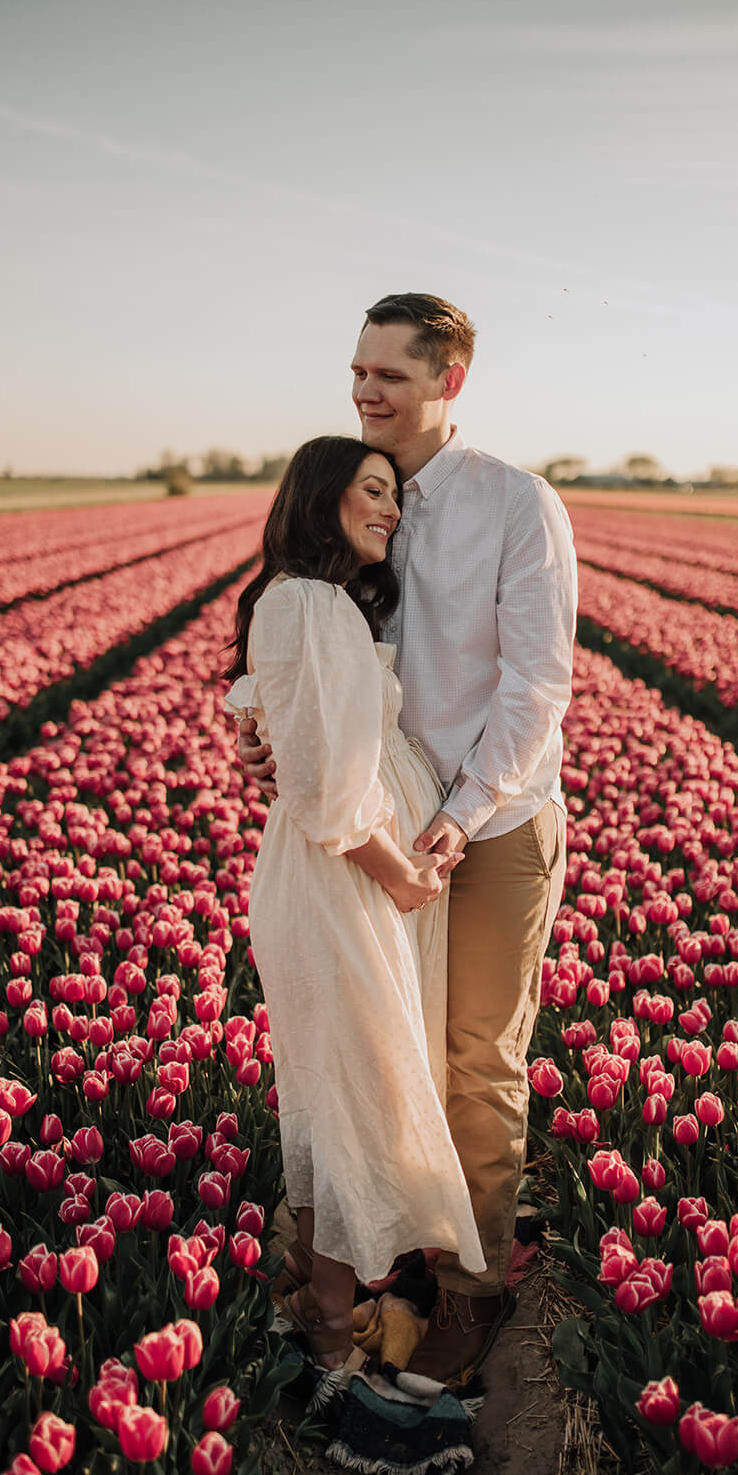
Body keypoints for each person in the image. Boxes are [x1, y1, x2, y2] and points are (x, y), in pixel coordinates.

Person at [239, 294, 577, 1387]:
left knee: (476, 1059)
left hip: (491, 820)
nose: (363, 391)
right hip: (382, 830)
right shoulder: (353, 499)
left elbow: (535, 687)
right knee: (390, 1052)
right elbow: (317, 662)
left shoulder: (516, 506)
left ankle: (472, 1287)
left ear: (450, 382)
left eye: (387, 374)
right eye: (357, 371)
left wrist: (456, 817)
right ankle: (390, 1259)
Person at [223, 434, 485, 1372]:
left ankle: (321, 1299)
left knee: (357, 1083)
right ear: (321, 496)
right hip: (345, 882)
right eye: (372, 491)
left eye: (396, 496)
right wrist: (397, 870)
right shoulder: (306, 604)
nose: (390, 509)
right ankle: (330, 1332)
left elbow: (282, 732)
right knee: (353, 1095)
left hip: (349, 879)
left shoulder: (313, 604)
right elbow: (328, 788)